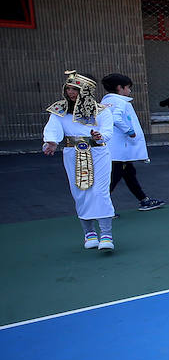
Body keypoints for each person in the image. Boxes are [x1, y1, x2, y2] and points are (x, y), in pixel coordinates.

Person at [42, 71, 116, 250]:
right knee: (80, 192)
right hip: (72, 153)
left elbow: (107, 131)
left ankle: (106, 234)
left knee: (100, 191)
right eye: (68, 88)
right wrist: (51, 141)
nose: (70, 92)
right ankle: (89, 234)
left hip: (98, 153)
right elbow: (53, 128)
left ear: (86, 90)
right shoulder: (60, 110)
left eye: (75, 89)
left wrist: (100, 135)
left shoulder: (101, 110)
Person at [101, 73, 164, 212]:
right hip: (121, 148)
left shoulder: (103, 103)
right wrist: (129, 131)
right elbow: (116, 119)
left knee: (128, 173)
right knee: (114, 178)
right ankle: (101, 207)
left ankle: (144, 199)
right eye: (128, 88)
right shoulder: (121, 102)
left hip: (111, 147)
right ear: (120, 87)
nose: (129, 91)